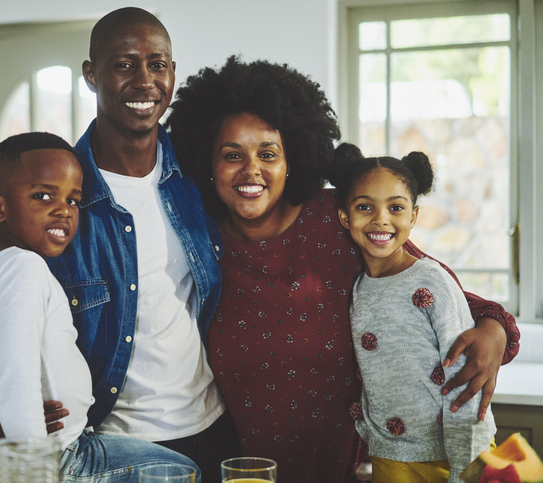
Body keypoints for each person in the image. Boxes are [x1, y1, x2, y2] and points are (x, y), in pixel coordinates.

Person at [164, 56, 519, 483]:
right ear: (208, 162)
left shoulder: (338, 218)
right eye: (231, 154)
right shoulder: (197, 242)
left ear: (291, 158)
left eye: (268, 153)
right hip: (245, 469)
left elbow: (436, 289)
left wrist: (495, 329)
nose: (250, 169)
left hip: (358, 468)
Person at [0, 8, 239, 483]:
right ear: (91, 75)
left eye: (158, 64)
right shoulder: (53, 193)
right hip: (109, 441)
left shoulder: (197, 177)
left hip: (211, 426)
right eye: (124, 64)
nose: (144, 81)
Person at [0, 131, 199, 483]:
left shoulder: (0, 271)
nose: (63, 210)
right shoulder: (23, 270)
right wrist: (32, 466)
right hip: (55, 461)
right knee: (182, 472)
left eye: (74, 200)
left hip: (13, 451)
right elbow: (16, 379)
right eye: (43, 196)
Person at [329, 143, 496, 483]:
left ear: (413, 216)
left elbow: (466, 376)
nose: (380, 219)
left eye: (395, 207)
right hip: (391, 457)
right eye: (365, 207)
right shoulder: (357, 288)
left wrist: (463, 466)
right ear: (345, 217)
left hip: (455, 455)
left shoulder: (432, 280)